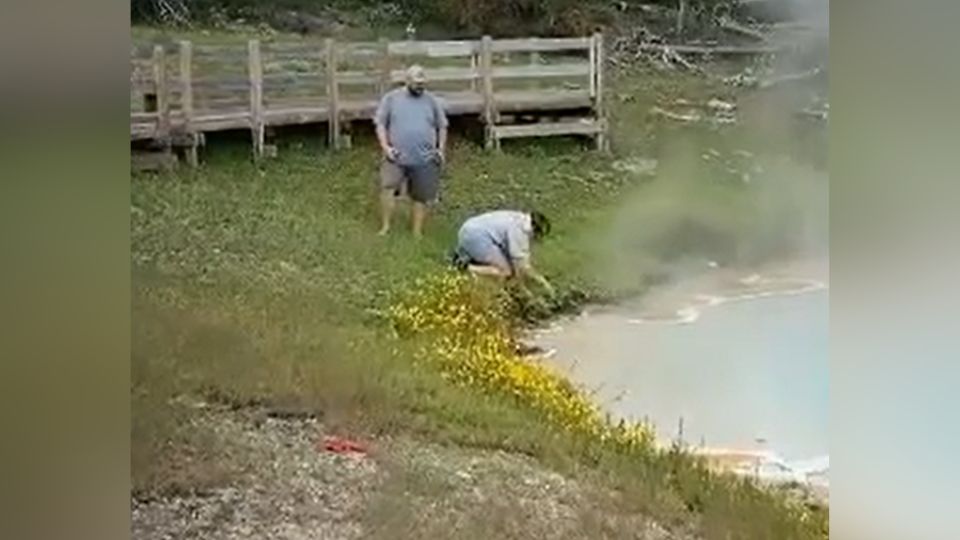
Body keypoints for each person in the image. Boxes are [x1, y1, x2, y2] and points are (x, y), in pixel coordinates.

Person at [374, 64, 449, 237]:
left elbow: (442, 126)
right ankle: (385, 228)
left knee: (420, 196)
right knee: (387, 188)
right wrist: (386, 148)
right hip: (396, 156)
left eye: (422, 83)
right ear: (407, 81)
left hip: (424, 157)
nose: (420, 87)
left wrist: (440, 149)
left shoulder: (432, 101)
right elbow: (380, 124)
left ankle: (417, 232)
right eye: (416, 83)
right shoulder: (391, 98)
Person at [452, 209, 555, 295]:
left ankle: (502, 291)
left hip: (469, 229)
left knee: (508, 269)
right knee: (505, 271)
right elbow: (522, 268)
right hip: (476, 237)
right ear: (535, 230)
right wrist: (545, 285)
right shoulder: (521, 231)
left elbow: (520, 264)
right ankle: (465, 267)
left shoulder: (520, 219)